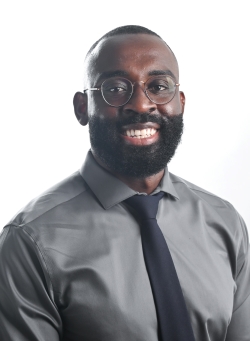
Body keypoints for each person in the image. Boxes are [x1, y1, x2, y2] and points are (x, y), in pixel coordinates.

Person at [0, 25, 249, 341]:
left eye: (159, 86)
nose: (142, 105)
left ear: (181, 102)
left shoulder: (224, 222)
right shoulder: (30, 242)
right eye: (116, 88)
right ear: (82, 108)